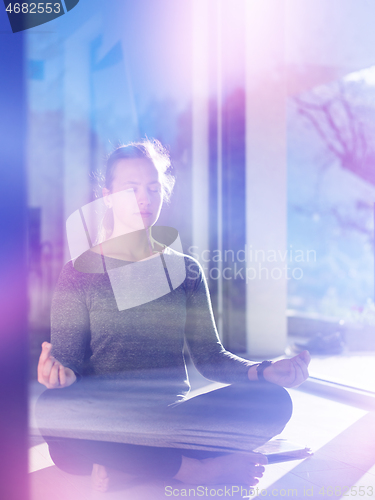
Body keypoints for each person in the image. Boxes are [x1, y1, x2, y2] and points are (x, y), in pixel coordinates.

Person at [36, 139, 311, 493]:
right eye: (131, 189)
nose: (144, 199)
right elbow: (69, 364)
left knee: (274, 400)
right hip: (108, 420)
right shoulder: (78, 274)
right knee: (52, 408)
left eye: (153, 187)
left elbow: (210, 358)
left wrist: (263, 370)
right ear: (107, 195)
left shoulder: (186, 271)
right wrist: (58, 376)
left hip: (172, 420)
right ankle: (195, 470)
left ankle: (133, 466)